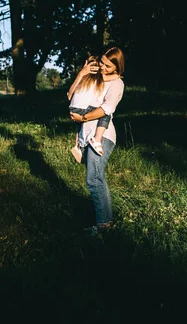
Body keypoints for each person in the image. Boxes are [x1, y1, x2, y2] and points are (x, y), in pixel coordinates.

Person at [68, 47, 125, 234]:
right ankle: (106, 222)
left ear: (117, 67)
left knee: (94, 178)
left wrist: (83, 118)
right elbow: (71, 96)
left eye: (107, 65)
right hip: (86, 136)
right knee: (96, 178)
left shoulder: (117, 84)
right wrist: (81, 73)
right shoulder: (97, 78)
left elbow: (106, 109)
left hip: (103, 135)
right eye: (101, 62)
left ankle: (103, 226)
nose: (101, 67)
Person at [68, 55, 119, 161]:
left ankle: (77, 146)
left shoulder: (83, 78)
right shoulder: (98, 76)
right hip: (81, 109)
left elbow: (69, 96)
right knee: (105, 112)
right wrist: (118, 74)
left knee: (79, 124)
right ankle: (97, 139)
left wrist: (81, 73)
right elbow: (113, 77)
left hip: (72, 108)